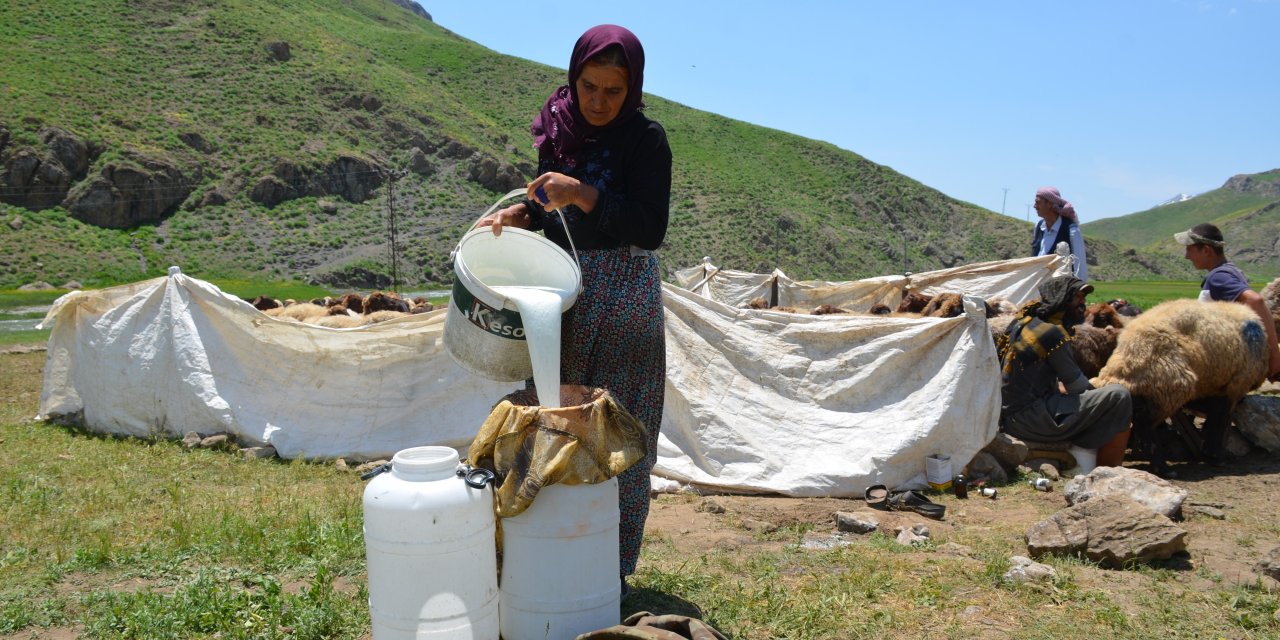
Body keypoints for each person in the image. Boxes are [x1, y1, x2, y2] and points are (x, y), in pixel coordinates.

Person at [477, 25, 672, 592]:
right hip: (562, 297)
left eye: (614, 90)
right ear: (574, 78)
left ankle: (609, 572)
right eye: (590, 86)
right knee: (552, 422)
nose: (599, 101)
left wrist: (583, 192)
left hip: (624, 298)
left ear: (631, 88)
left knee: (618, 428)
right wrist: (520, 213)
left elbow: (650, 227)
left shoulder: (646, 141)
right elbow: (547, 210)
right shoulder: (558, 131)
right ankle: (548, 556)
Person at [997, 275, 1131, 472]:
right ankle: (1108, 472)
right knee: (1119, 396)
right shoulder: (1054, 333)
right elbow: (1076, 385)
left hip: (1010, 415)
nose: (1082, 303)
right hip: (1029, 419)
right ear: (1061, 298)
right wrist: (1097, 396)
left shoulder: (1025, 322)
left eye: (1083, 298)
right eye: (1077, 297)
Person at [1176, 223, 1280, 382]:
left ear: (1206, 250)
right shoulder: (1231, 270)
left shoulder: (1219, 277)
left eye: (1189, 249)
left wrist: (1273, 355)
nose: (1186, 256)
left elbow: (1255, 300)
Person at [1031, 187, 1088, 281]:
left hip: (1060, 291)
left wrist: (1079, 291)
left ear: (1049, 203)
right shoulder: (1039, 227)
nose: (1034, 206)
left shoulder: (1071, 230)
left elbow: (1080, 267)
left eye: (1038, 202)